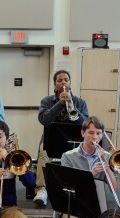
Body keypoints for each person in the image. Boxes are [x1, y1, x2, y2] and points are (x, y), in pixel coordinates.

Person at [32, 70, 90, 207]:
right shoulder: (46, 101)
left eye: (66, 80)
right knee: (43, 151)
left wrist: (72, 106)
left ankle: (78, 188)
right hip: (51, 139)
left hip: (75, 141)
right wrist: (59, 104)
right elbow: (44, 120)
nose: (63, 82)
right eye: (59, 80)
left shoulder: (80, 102)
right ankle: (42, 190)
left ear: (70, 83)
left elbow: (86, 124)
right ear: (55, 84)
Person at [59, 116, 117, 218]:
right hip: (73, 205)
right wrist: (90, 175)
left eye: (98, 133)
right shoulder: (68, 156)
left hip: (96, 206)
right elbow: (65, 186)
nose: (94, 137)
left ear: (102, 135)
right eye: (91, 133)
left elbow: (114, 189)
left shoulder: (107, 157)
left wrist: (107, 168)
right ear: (83, 133)